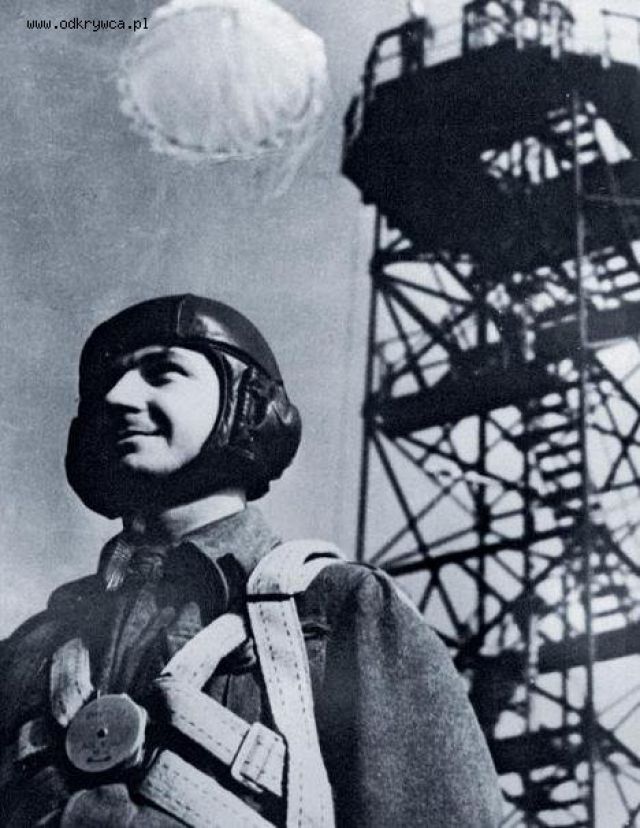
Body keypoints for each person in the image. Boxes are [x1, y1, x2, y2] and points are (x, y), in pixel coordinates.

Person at [0, 294, 503, 827]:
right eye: (106, 384)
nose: (117, 398)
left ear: (246, 404)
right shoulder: (33, 648)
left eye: (163, 373)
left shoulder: (337, 608)